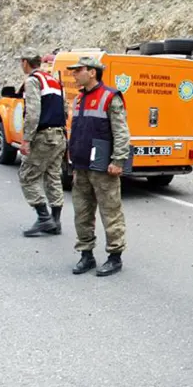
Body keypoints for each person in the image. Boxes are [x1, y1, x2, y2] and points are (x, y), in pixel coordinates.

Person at [67, 55, 130, 277]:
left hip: (103, 168)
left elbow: (121, 132)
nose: (74, 74)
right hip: (82, 166)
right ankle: (86, 255)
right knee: (82, 213)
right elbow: (76, 132)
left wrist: (118, 160)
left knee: (110, 212)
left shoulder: (110, 97)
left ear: (92, 72)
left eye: (78, 70)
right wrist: (73, 163)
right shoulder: (78, 99)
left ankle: (115, 257)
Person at [17, 51, 68, 237]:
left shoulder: (33, 81)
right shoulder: (54, 80)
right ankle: (56, 220)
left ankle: (44, 218)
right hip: (59, 135)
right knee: (53, 175)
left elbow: (32, 112)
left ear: (25, 62)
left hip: (44, 136)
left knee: (27, 175)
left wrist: (27, 139)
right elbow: (65, 109)